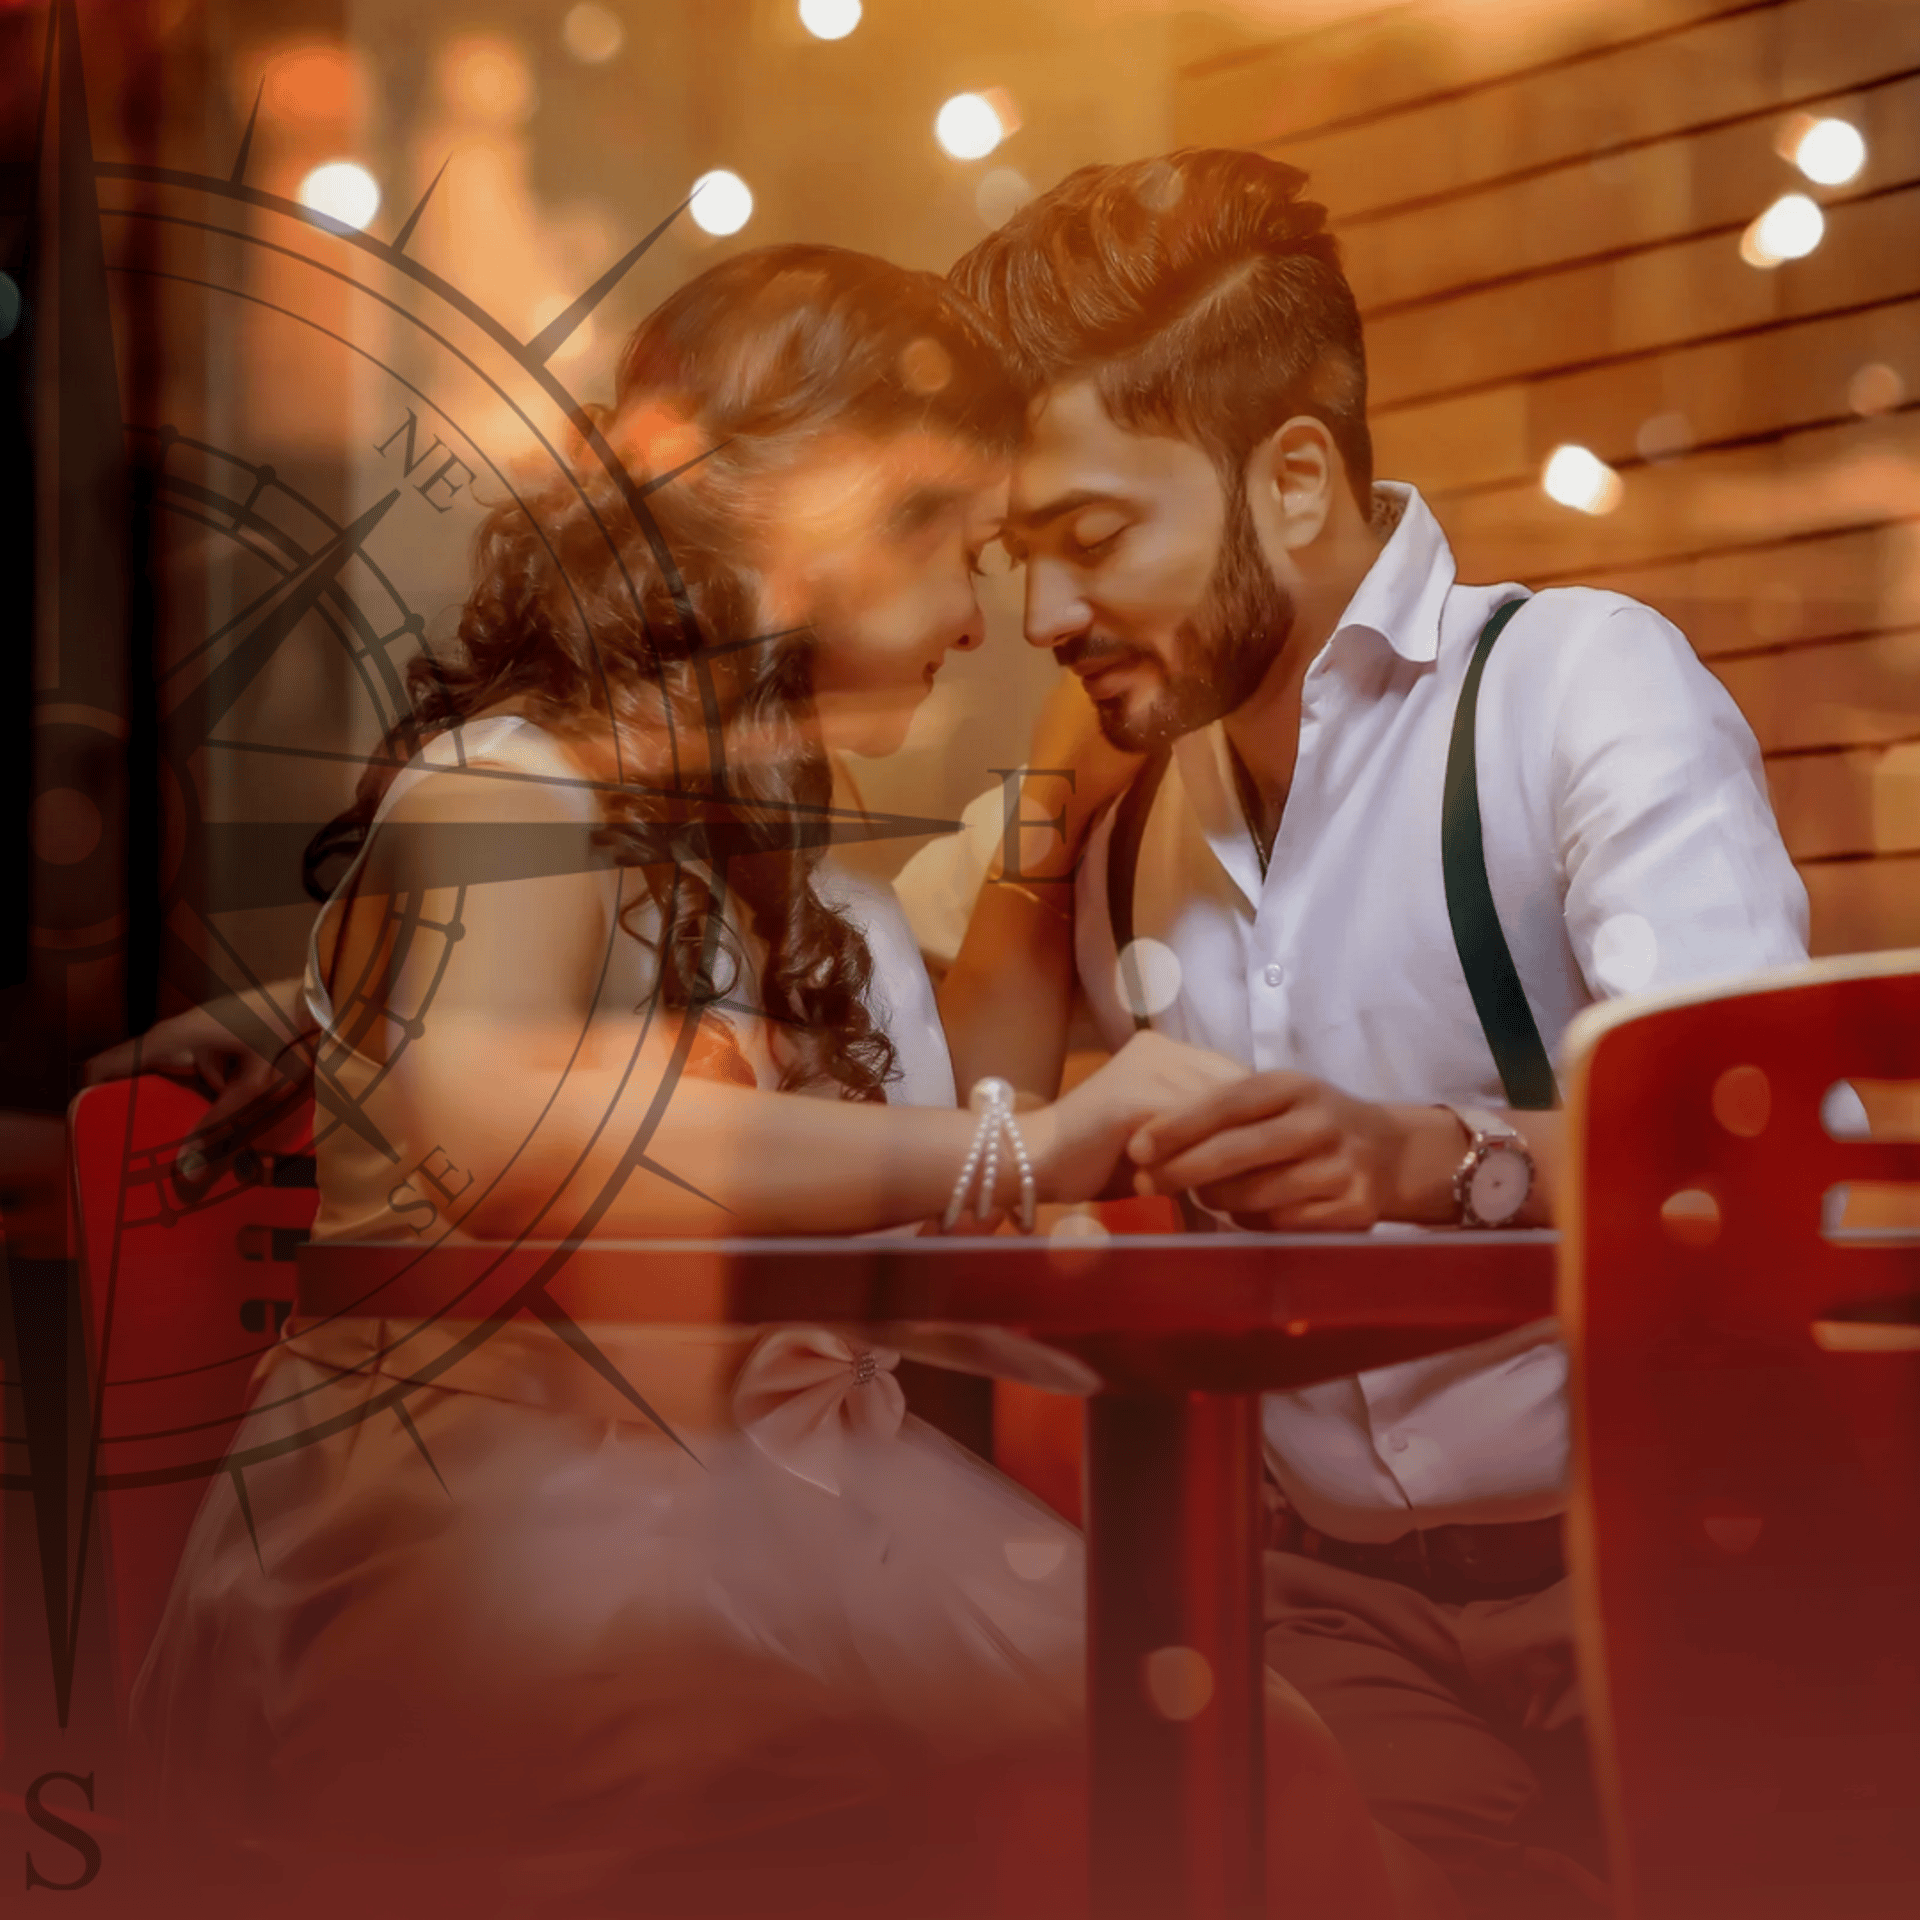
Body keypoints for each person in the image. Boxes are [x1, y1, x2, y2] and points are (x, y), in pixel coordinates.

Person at [118, 245, 1438, 1920]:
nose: (987, 617)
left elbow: (947, 1248)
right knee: (806, 1789)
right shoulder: (501, 789)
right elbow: (509, 1121)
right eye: (951, 544)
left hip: (831, 1513)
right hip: (501, 1520)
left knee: (1263, 1764)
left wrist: (1150, 1124)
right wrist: (1029, 1148)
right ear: (778, 511)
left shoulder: (848, 922)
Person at [930, 149, 1813, 1918]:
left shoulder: (1574, 685)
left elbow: (1756, 1161)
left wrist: (1439, 1160)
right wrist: (1041, 786)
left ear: (1300, 476)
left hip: (1674, 1553)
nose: (1046, 616)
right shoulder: (1117, 803)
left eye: (1093, 541)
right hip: (1320, 1614)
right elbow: (979, 1132)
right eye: (1019, 561)